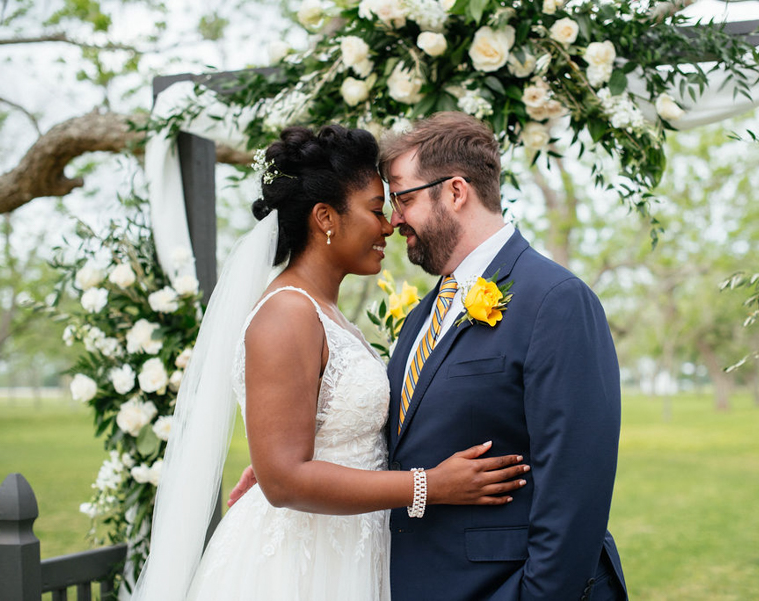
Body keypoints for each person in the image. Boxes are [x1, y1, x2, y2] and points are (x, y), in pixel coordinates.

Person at [234, 112, 627, 600]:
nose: (393, 220)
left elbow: (576, 487)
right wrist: (292, 456)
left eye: (402, 198)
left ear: (456, 192)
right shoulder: (423, 315)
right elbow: (404, 432)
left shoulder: (555, 299)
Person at [130, 124, 528, 601]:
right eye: (376, 210)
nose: (388, 226)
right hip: (301, 564)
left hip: (352, 546)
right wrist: (429, 486)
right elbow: (283, 481)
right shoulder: (286, 314)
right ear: (325, 218)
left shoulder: (327, 313)